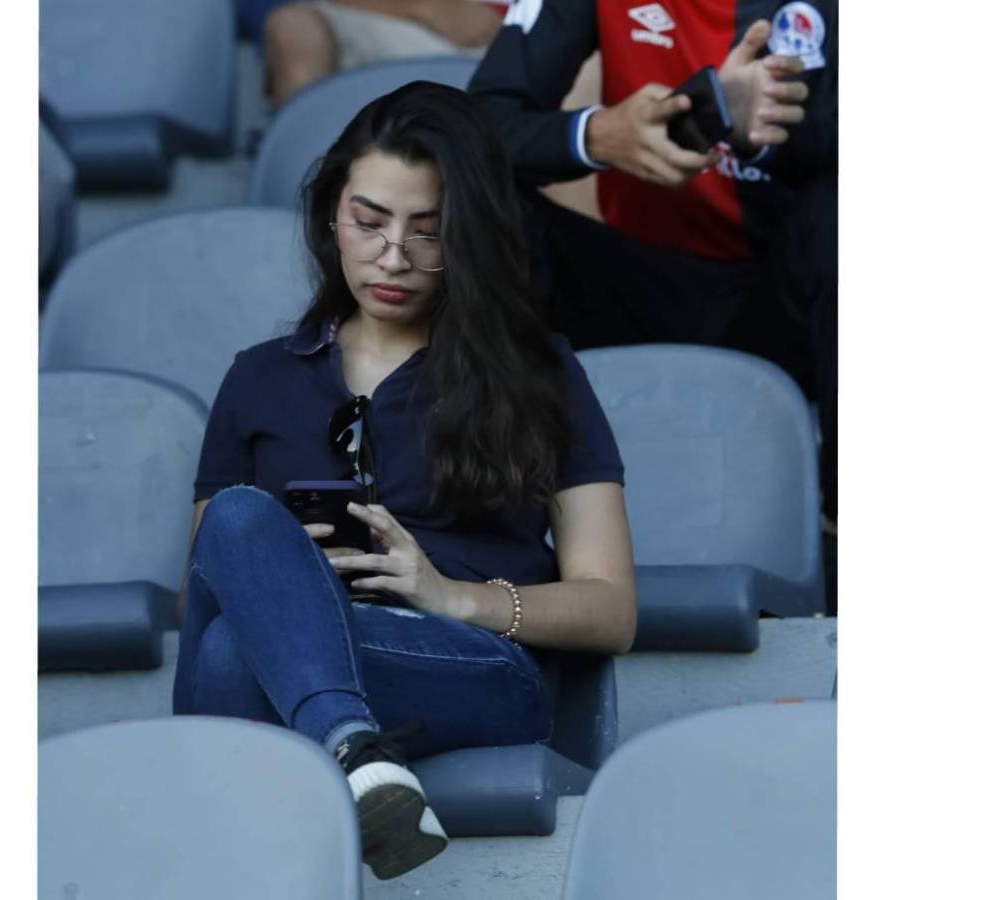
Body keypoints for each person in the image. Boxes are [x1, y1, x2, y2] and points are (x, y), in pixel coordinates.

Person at [171, 81, 636, 879]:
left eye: (430, 232)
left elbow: (611, 607)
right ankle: (358, 753)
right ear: (330, 214)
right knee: (239, 536)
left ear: (474, 237)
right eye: (370, 222)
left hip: (472, 668)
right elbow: (207, 585)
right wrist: (298, 577)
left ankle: (336, 760)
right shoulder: (257, 380)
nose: (394, 257)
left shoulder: (538, 373)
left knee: (227, 656)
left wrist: (450, 593)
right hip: (299, 665)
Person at [469, 0, 838, 525]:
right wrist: (598, 135)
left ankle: (839, 524)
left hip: (785, 302)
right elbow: (480, 123)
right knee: (480, 202)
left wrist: (761, 133)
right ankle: (487, 504)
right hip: (630, 284)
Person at [263, 0, 505, 105]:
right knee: (294, 27)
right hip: (395, 19)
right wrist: (427, 7)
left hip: (512, 39)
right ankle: (308, 185)